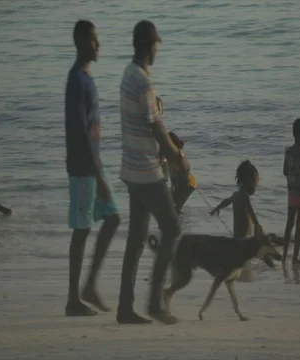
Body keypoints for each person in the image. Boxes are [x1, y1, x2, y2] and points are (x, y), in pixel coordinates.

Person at [117, 20, 188, 325]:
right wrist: (176, 158)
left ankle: (124, 308)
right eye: (157, 43)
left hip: (131, 169)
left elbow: (147, 125)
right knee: (172, 228)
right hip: (147, 171)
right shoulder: (143, 80)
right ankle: (155, 304)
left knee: (135, 239)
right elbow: (155, 126)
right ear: (149, 45)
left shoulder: (128, 74)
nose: (158, 47)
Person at [64, 20, 120, 317]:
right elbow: (78, 130)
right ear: (82, 43)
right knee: (83, 229)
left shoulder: (86, 78)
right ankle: (74, 298)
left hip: (94, 163)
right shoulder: (76, 80)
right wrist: (97, 172)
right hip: (84, 167)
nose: (98, 46)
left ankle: (88, 286)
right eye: (94, 41)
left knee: (112, 217)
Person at [210, 160, 264, 241]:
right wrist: (257, 226)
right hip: (245, 239)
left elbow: (226, 201)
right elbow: (251, 212)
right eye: (255, 183)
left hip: (236, 238)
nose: (255, 185)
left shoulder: (235, 195)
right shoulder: (245, 196)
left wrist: (218, 207)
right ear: (250, 181)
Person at [282, 118, 300, 267]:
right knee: (299, 227)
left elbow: (285, 171)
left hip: (291, 194)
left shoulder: (287, 152)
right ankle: (295, 258)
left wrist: (293, 176)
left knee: (289, 225)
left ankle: (284, 256)